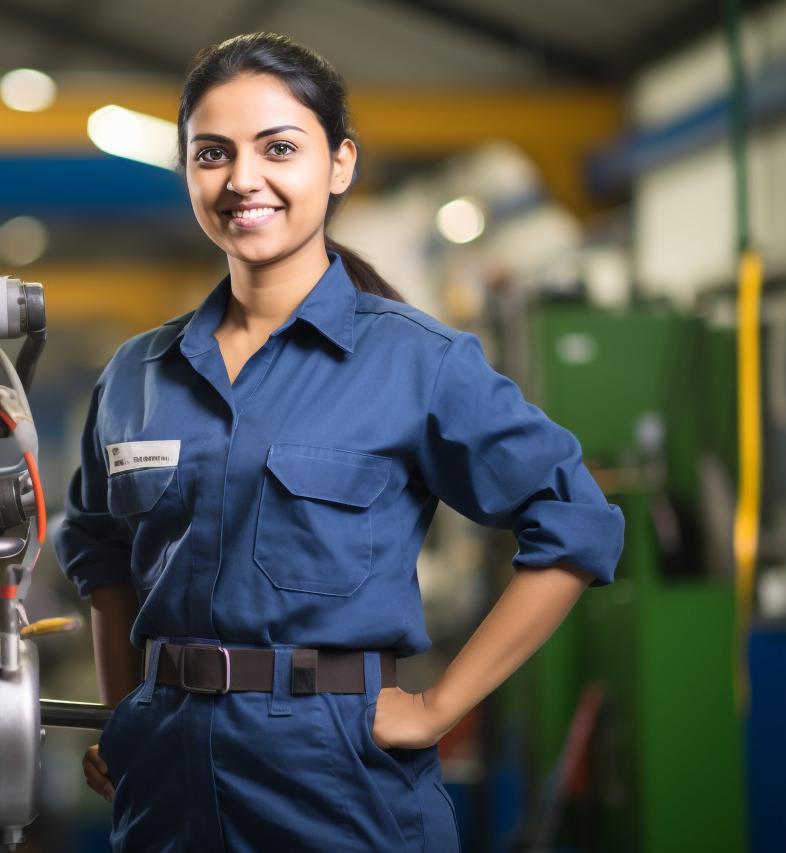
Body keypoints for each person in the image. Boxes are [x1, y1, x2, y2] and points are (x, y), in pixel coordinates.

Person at [52, 32, 624, 853]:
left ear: (340, 163)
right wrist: (122, 712)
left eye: (278, 148)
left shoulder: (416, 361)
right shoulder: (136, 374)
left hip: (336, 775)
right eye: (212, 153)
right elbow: (102, 554)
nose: (243, 179)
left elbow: (577, 520)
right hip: (166, 779)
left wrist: (439, 704)